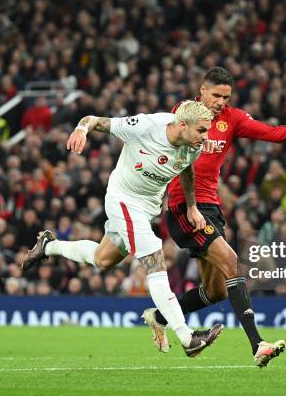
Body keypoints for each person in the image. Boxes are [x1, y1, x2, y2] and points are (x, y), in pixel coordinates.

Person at [143, 67, 286, 367]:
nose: (221, 101)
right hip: (185, 208)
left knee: (217, 290)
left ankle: (158, 317)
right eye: (216, 95)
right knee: (233, 263)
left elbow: (270, 133)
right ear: (203, 90)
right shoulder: (183, 114)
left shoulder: (232, 119)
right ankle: (258, 344)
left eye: (226, 97)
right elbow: (173, 157)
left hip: (211, 208)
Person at [21, 100, 223, 356]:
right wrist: (82, 130)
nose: (206, 138)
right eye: (202, 131)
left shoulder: (191, 145)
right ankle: (187, 338)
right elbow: (93, 119)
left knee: (102, 259)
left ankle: (49, 246)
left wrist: (192, 207)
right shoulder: (145, 126)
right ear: (182, 125)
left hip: (147, 207)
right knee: (154, 258)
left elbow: (186, 171)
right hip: (123, 199)